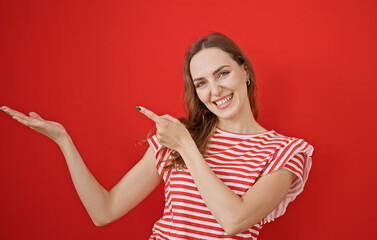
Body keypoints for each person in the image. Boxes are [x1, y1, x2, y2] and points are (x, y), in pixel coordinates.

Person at [0, 32, 313, 239]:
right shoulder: (178, 137)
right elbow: (104, 212)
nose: (215, 90)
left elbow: (234, 220)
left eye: (223, 73)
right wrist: (63, 141)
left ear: (244, 71)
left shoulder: (286, 151)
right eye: (201, 83)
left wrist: (187, 147)